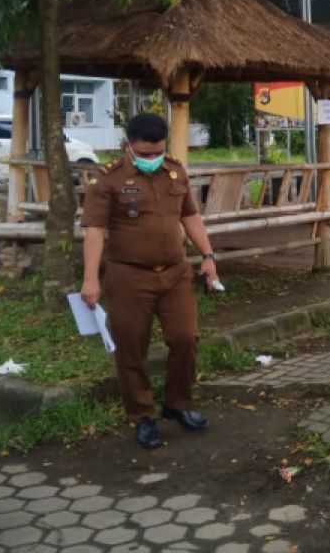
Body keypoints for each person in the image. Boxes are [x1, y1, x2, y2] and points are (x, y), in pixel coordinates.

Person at [81, 113, 220, 449]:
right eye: (143, 154)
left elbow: (190, 216)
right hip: (128, 276)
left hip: (174, 273)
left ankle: (178, 404)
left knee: (185, 337)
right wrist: (90, 280)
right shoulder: (107, 179)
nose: (150, 159)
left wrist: (208, 257)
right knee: (131, 347)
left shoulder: (175, 171)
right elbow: (95, 231)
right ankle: (143, 416)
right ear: (128, 145)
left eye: (156, 152)